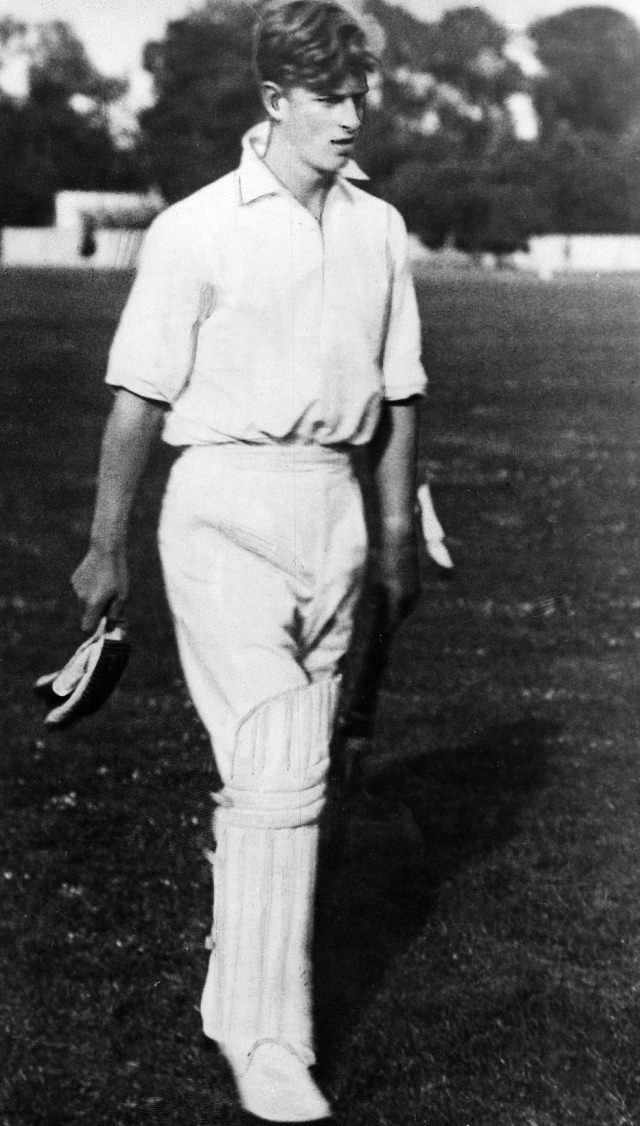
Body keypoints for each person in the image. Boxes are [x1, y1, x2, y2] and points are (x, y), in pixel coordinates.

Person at [71, 1, 427, 1120]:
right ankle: (271, 1043)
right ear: (275, 100)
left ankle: (240, 991)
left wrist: (394, 535)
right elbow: (138, 393)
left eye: (362, 94)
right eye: (330, 97)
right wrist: (102, 545)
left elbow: (401, 391)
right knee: (279, 769)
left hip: (331, 504)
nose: (352, 116)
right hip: (222, 504)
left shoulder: (378, 227)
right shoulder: (197, 227)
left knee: (289, 779)